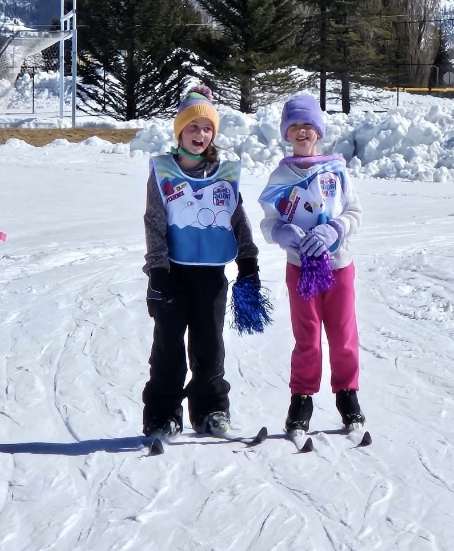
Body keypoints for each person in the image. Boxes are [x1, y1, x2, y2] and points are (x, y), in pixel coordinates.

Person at [141, 85, 260, 441]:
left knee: (210, 347)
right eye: (193, 127)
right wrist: (157, 268)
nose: (201, 134)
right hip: (172, 275)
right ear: (180, 131)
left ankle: (211, 411)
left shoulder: (224, 172)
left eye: (207, 128)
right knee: (168, 349)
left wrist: (248, 258)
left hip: (211, 274)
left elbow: (237, 217)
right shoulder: (163, 171)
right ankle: (162, 416)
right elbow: (154, 220)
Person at [259, 93, 365, 434]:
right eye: (294, 127)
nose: (302, 132)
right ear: (286, 134)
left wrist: (335, 229)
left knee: (342, 334)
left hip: (338, 267)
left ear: (318, 131)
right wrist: (282, 232)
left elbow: (354, 213)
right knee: (307, 337)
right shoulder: (280, 177)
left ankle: (348, 396)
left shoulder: (336, 171)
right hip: (300, 269)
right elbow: (267, 221)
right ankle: (301, 401)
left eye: (308, 125)